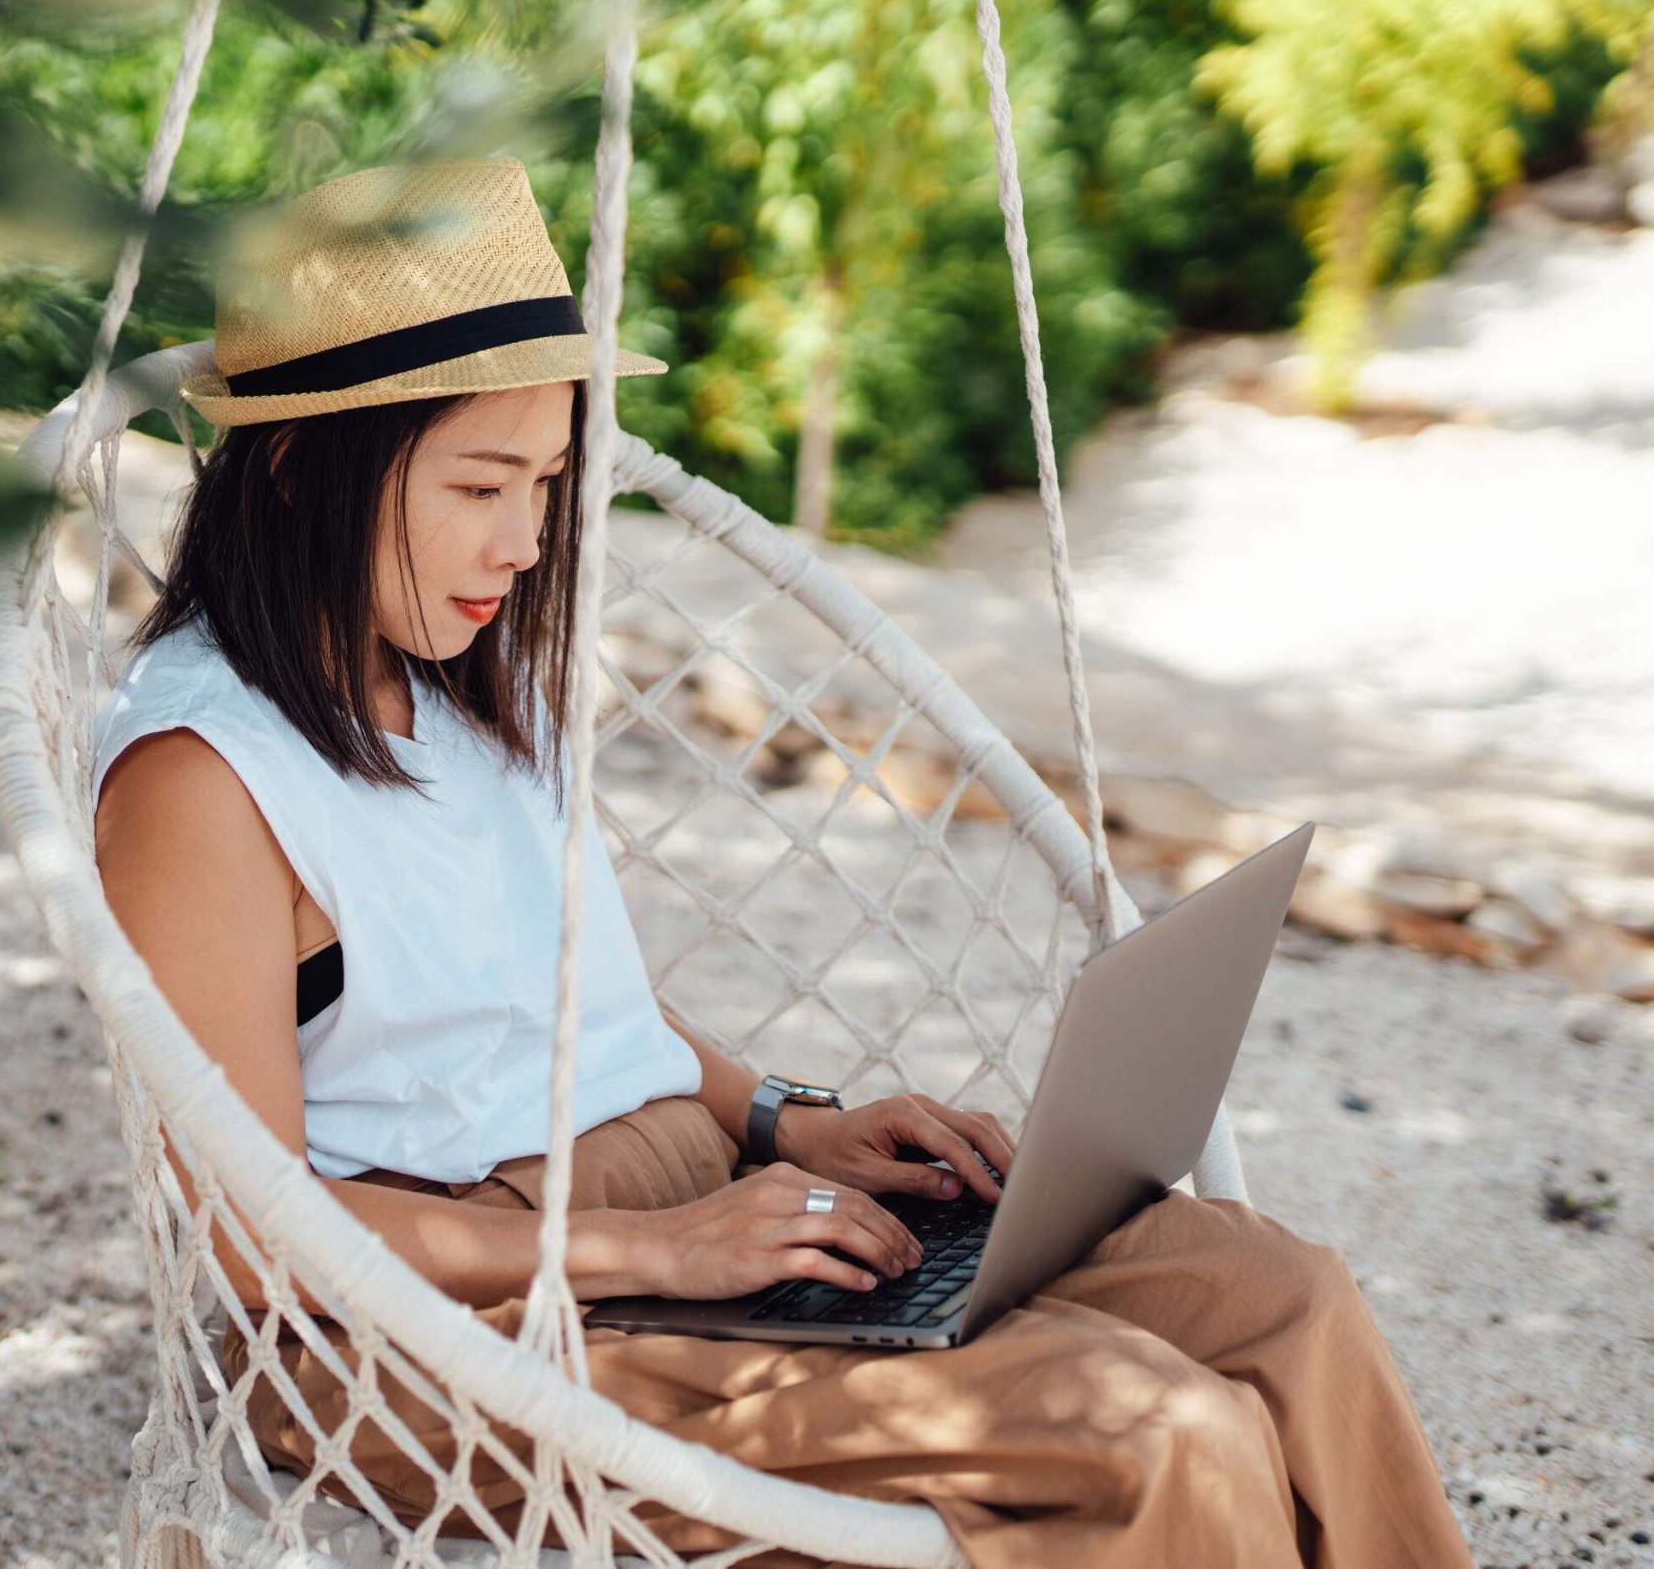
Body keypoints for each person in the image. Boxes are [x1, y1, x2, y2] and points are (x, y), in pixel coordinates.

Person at [91, 156, 1472, 1569]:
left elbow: (563, 998)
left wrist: (786, 1123)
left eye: (551, 481)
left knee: (1274, 1289)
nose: (524, 542)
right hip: (441, 1324)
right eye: (480, 482)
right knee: (1151, 1428)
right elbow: (253, 1237)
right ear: (294, 465)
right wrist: (662, 1253)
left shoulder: (447, 671)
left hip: (682, 1204)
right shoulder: (204, 780)